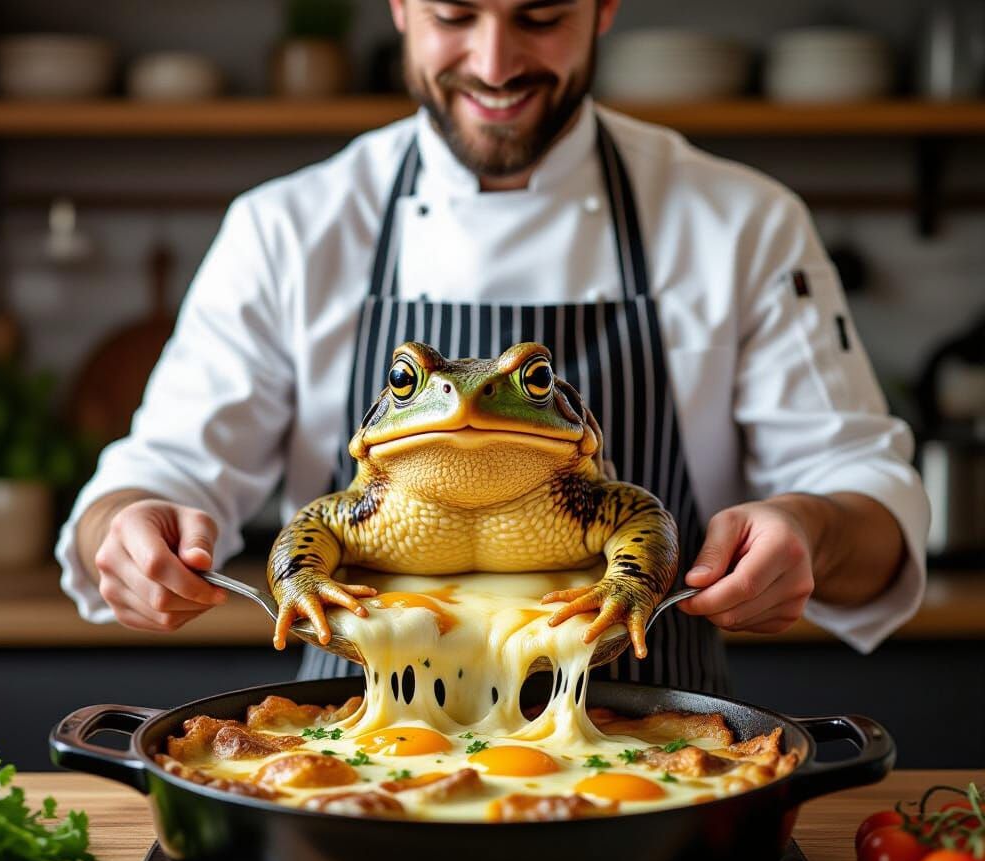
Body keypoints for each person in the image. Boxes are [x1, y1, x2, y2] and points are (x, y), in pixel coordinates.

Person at [57, 0, 929, 694]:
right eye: (454, 15)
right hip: (358, 754)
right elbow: (154, 477)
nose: (495, 61)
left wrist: (809, 530)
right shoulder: (285, 228)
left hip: (652, 756)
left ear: (605, 6)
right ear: (398, 6)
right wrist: (132, 533)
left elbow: (871, 513)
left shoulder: (744, 222)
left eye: (540, 16)